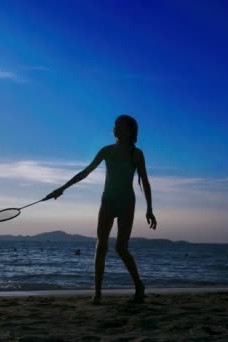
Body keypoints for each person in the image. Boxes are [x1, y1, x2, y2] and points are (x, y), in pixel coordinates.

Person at [44, 114, 157, 304]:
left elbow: (145, 182)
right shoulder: (106, 151)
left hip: (127, 203)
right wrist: (61, 189)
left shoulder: (137, 154)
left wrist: (149, 209)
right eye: (115, 125)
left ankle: (139, 285)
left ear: (129, 131)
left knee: (121, 248)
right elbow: (85, 173)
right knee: (101, 246)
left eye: (119, 125)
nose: (115, 128)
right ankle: (97, 294)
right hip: (108, 202)